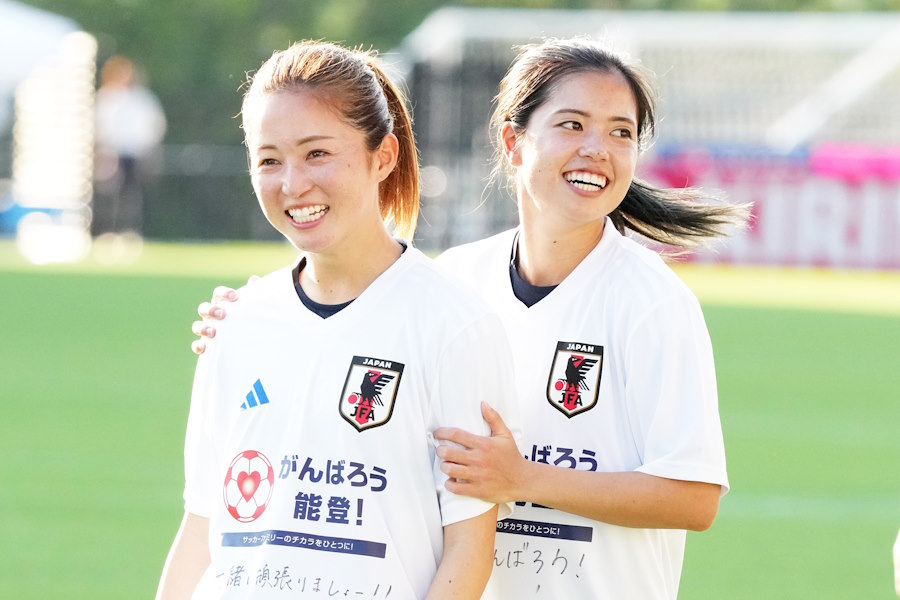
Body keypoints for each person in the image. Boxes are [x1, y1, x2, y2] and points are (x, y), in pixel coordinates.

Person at [191, 38, 749, 598]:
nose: (597, 149)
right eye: (573, 125)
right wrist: (251, 321)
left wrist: (524, 478)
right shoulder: (457, 280)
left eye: (621, 132)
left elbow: (693, 497)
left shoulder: (652, 302)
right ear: (513, 141)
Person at [157, 40, 520, 600]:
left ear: (384, 157)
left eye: (317, 153)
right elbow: (204, 526)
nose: (292, 184)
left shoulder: (454, 325)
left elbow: (470, 548)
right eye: (269, 159)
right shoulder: (238, 323)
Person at [93, 55, 166, 237]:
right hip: (112, 152)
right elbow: (100, 125)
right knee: (109, 195)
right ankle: (109, 231)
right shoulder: (107, 97)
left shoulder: (143, 99)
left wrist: (149, 150)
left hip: (135, 153)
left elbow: (153, 126)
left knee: (131, 196)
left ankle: (129, 231)